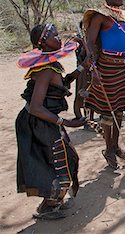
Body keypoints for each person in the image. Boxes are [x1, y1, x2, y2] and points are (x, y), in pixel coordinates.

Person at [16, 23, 87, 220]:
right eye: (54, 35)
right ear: (43, 42)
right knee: (58, 164)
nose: (59, 38)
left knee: (63, 159)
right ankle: (48, 206)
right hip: (39, 122)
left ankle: (54, 201)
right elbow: (37, 106)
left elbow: (60, 85)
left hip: (44, 121)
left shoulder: (51, 65)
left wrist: (83, 66)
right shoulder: (45, 69)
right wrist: (66, 122)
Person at [83, 0, 125, 169]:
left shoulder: (124, 17)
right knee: (108, 111)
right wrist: (93, 66)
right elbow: (89, 42)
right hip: (106, 68)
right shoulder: (100, 17)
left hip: (123, 68)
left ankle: (115, 145)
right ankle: (108, 149)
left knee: (120, 109)